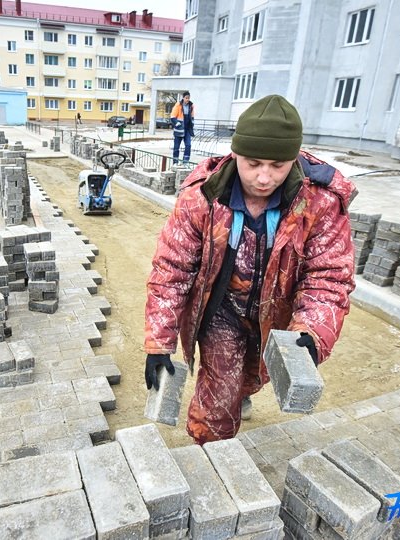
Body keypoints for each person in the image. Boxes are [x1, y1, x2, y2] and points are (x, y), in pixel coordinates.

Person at [144, 95, 356, 444]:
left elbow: (329, 275)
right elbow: (172, 269)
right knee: (217, 398)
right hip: (222, 311)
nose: (264, 177)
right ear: (235, 154)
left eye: (277, 165)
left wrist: (312, 331)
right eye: (253, 163)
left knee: (252, 376)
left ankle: (240, 391)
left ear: (294, 160)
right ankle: (211, 449)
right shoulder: (202, 198)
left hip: (278, 312)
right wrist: (158, 342)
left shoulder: (319, 203)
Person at [171, 91, 195, 164]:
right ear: (183, 98)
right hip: (179, 129)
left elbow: (192, 117)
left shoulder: (191, 106)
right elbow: (172, 117)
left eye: (188, 98)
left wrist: (192, 124)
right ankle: (175, 162)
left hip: (187, 129)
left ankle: (185, 162)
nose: (187, 99)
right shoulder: (178, 105)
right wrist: (177, 123)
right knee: (176, 147)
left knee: (188, 145)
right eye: (186, 98)